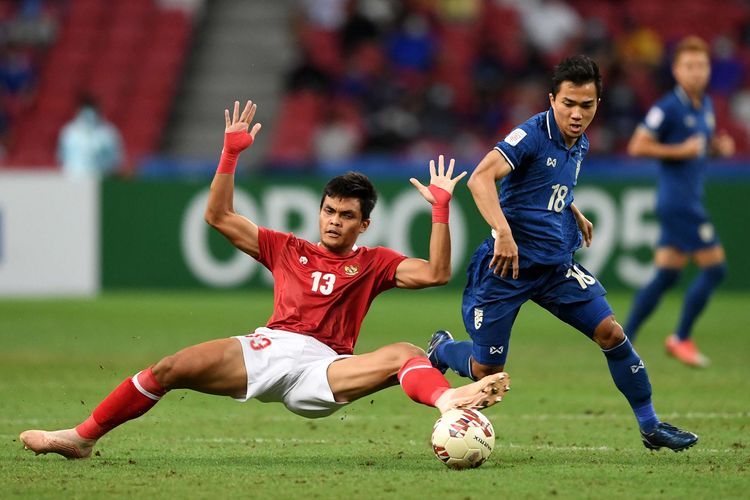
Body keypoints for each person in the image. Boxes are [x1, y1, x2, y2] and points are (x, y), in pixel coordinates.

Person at [20, 100, 510, 459]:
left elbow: (437, 273)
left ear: (364, 224)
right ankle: (80, 439)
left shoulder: (374, 261)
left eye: (345, 215)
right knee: (169, 369)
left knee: (404, 351)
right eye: (328, 210)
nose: (333, 220)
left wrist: (441, 212)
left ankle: (451, 401)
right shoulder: (286, 249)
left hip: (324, 370)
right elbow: (218, 216)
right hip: (268, 348)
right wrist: (230, 155)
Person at [426, 55, 698, 452]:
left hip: (554, 267)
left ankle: (650, 425)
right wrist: (502, 231)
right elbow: (481, 178)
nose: (576, 114)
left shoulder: (580, 142)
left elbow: (545, 184)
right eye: (568, 103)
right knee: (487, 370)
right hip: (507, 266)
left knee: (611, 333)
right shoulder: (532, 134)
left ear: (597, 106)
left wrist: (571, 208)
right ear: (552, 99)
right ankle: (443, 349)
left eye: (585, 106)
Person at [624, 36, 734, 368]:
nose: (696, 72)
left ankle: (621, 339)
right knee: (716, 269)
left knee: (667, 276)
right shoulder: (667, 107)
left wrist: (715, 148)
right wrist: (679, 151)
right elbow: (637, 146)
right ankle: (681, 337)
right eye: (689, 66)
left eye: (701, 66)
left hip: (687, 199)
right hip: (679, 203)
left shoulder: (706, 106)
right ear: (676, 70)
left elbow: (698, 147)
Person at [57, 94, 124, 180]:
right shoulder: (69, 132)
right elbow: (62, 157)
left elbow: (116, 161)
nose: (88, 114)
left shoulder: (108, 133)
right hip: (73, 181)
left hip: (99, 182)